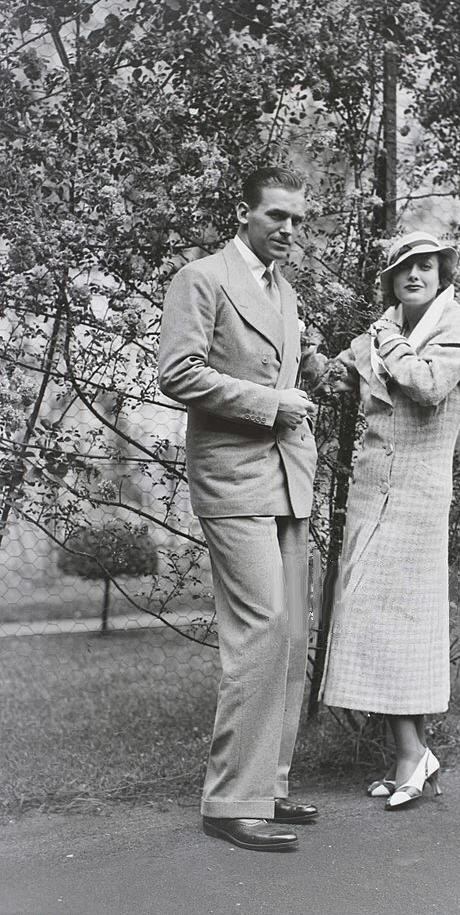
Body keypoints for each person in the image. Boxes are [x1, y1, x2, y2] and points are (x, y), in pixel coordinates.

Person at [158, 166, 319, 852]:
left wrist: (313, 364)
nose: (288, 230)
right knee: (259, 631)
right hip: (234, 480)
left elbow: (285, 359)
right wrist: (271, 402)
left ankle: (268, 787)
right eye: (277, 216)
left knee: (290, 637)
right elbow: (179, 372)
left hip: (287, 477)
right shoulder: (202, 277)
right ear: (244, 212)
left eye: (298, 220)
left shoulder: (281, 288)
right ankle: (228, 801)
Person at [320, 230, 460, 810]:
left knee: (403, 624)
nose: (414, 274)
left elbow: (426, 387)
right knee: (369, 620)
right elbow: (335, 382)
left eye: (425, 265)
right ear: (391, 279)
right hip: (372, 496)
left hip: (419, 500)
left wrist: (387, 339)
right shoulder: (378, 335)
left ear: (442, 272)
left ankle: (410, 755)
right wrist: (298, 345)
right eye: (403, 267)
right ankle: (413, 753)